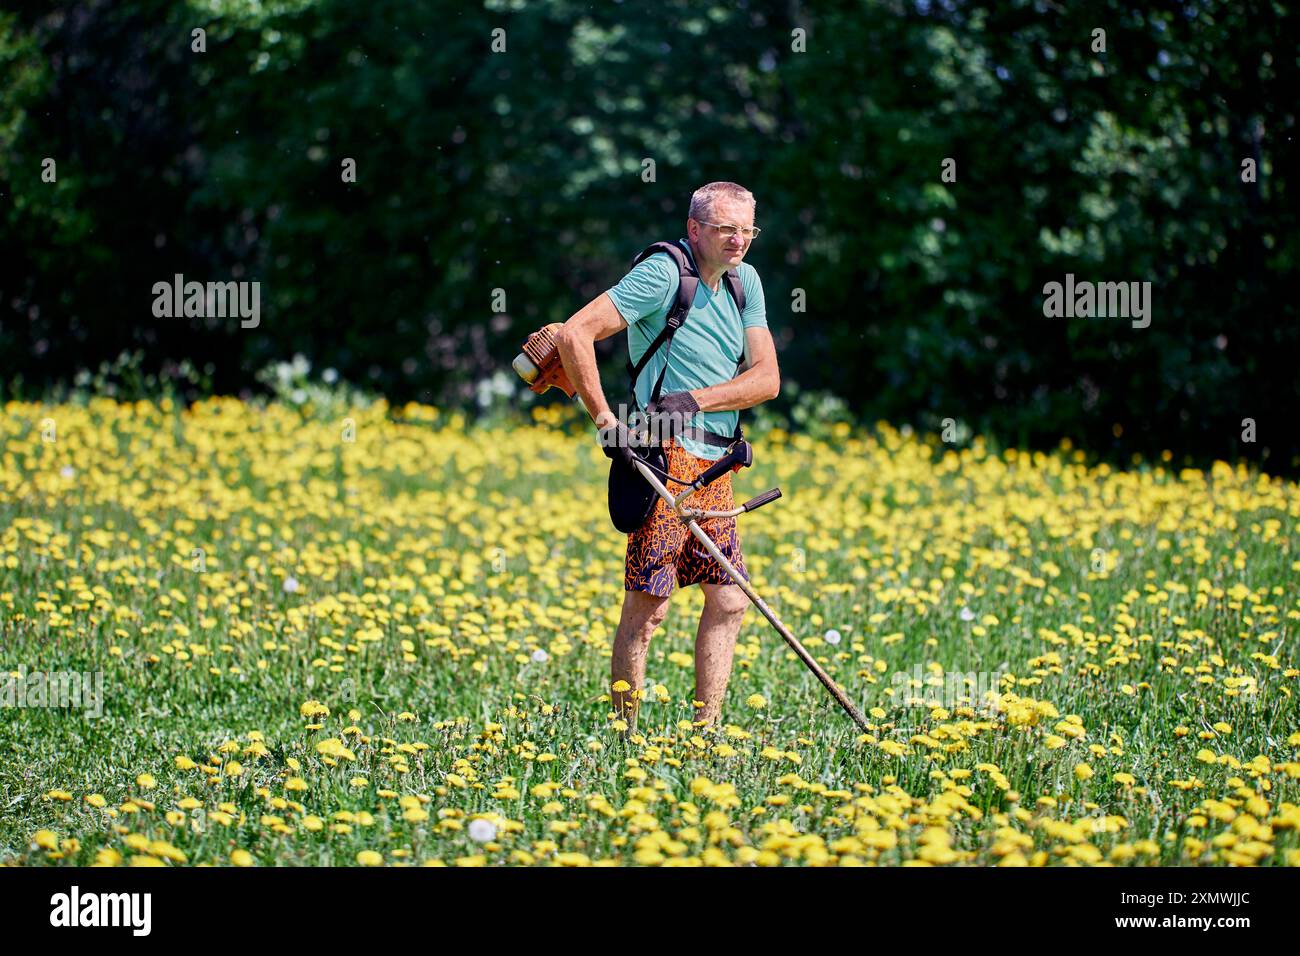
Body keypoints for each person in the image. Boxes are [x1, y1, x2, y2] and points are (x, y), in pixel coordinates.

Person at [554, 181, 780, 730]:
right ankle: (625, 736)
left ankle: (706, 734)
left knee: (728, 602)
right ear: (696, 229)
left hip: (716, 464)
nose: (739, 241)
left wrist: (695, 400)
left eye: (747, 230)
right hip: (662, 459)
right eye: (727, 229)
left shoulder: (744, 281)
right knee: (648, 608)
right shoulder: (662, 275)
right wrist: (607, 421)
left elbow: (767, 380)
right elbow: (575, 334)